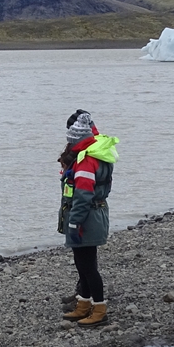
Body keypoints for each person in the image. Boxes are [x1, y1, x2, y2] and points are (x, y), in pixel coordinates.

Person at [58, 111, 118, 327]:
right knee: (82, 264)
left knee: (88, 266)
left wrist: (74, 222)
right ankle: (84, 304)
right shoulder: (96, 151)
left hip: (87, 218)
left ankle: (99, 308)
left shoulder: (86, 161)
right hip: (94, 215)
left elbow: (83, 196)